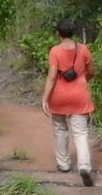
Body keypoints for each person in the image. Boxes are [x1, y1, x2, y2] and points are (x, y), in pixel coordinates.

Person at [40, 18, 96, 186]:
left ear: (58, 34)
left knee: (60, 129)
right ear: (73, 33)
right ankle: (84, 166)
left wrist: (45, 98)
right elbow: (92, 71)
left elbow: (51, 76)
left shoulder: (55, 51)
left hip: (59, 96)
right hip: (80, 96)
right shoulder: (84, 49)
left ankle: (64, 164)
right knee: (80, 133)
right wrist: (83, 80)